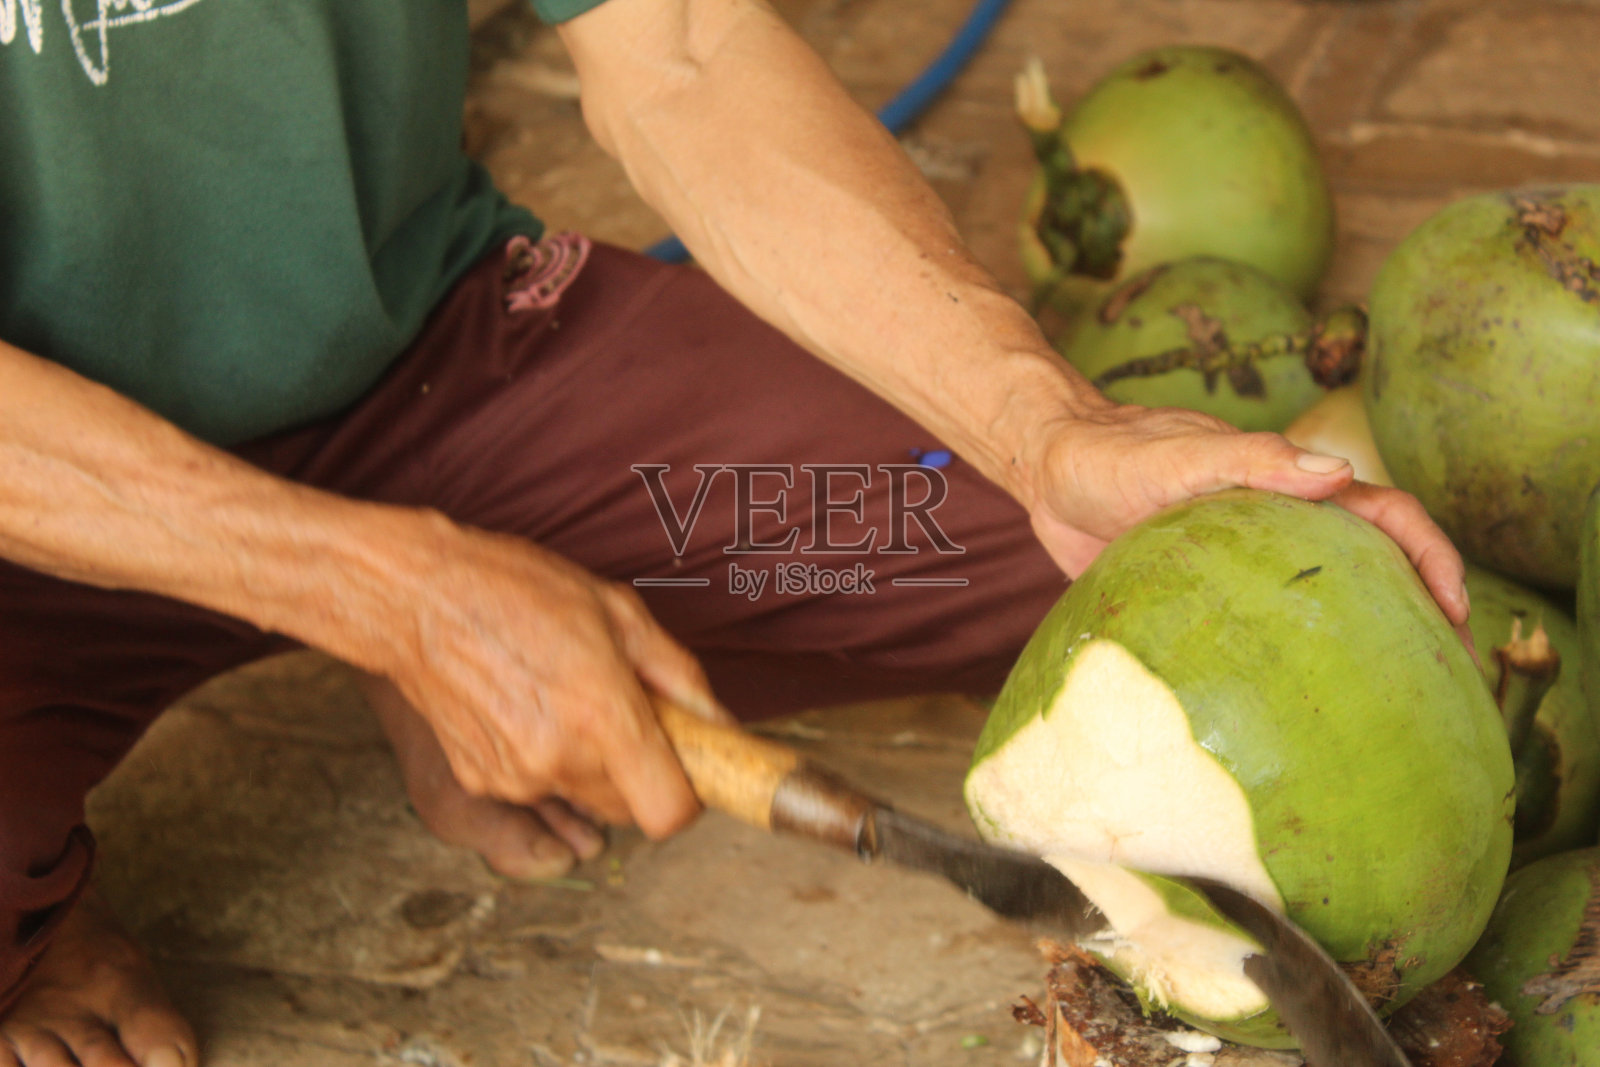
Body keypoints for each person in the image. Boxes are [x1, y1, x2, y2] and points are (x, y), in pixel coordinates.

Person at [0, 0, 1470, 1064]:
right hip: (31, 524)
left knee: (1078, 567)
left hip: (436, 371)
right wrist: (389, 593)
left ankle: (452, 584)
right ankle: (43, 920)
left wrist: (1041, 432)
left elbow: (683, 43)